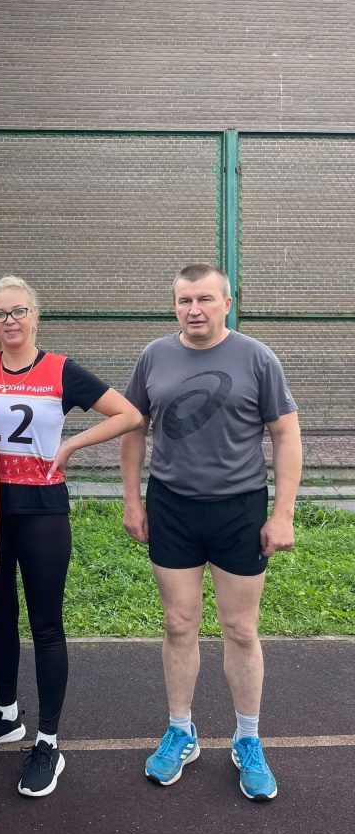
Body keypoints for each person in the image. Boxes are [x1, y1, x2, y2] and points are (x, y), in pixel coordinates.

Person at [0, 275, 144, 797]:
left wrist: (72, 445)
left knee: (46, 624)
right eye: (0, 314)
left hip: (42, 511)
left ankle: (49, 741)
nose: (10, 321)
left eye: (19, 311)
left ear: (35, 315)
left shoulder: (60, 369)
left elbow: (129, 414)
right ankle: (7, 714)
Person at [120, 263, 302, 801]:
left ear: (227, 302)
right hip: (172, 507)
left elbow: (286, 435)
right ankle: (181, 730)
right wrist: (131, 500)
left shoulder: (257, 358)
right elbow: (133, 428)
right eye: (184, 300)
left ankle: (248, 738)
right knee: (178, 623)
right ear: (174, 305)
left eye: (204, 299)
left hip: (239, 509)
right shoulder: (154, 356)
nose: (194, 309)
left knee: (241, 628)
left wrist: (283, 513)